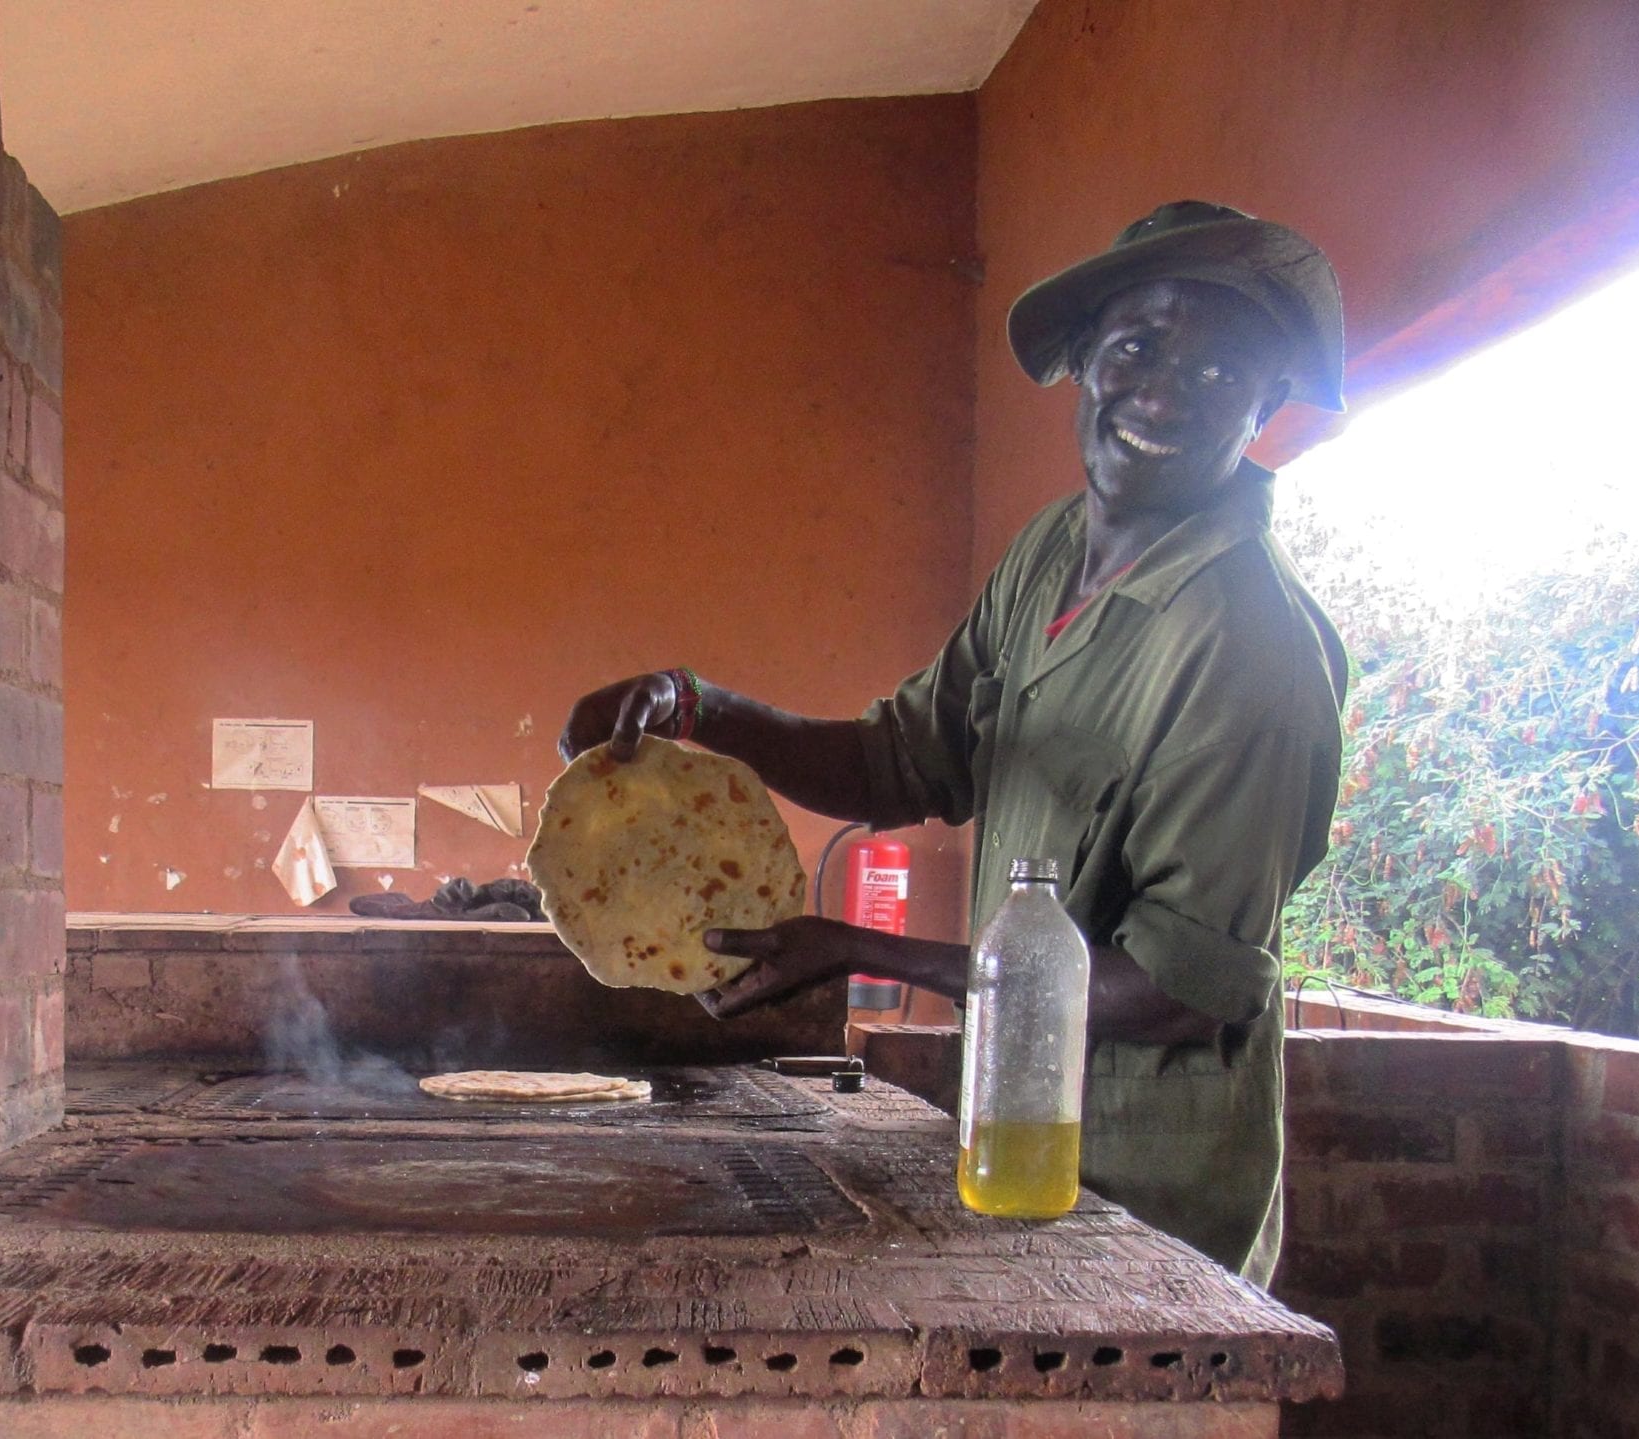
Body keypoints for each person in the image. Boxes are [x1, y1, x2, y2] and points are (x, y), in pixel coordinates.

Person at [557, 201, 1349, 1288]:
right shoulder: (1053, 552)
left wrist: (863, 947)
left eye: (1221, 375)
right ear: (1084, 361)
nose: (1164, 393)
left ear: (1269, 403)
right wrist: (698, 707)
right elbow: (901, 760)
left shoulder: (1249, 646)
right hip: (1020, 1149)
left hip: (1151, 1199)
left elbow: (1183, 986)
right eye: (1137, 348)